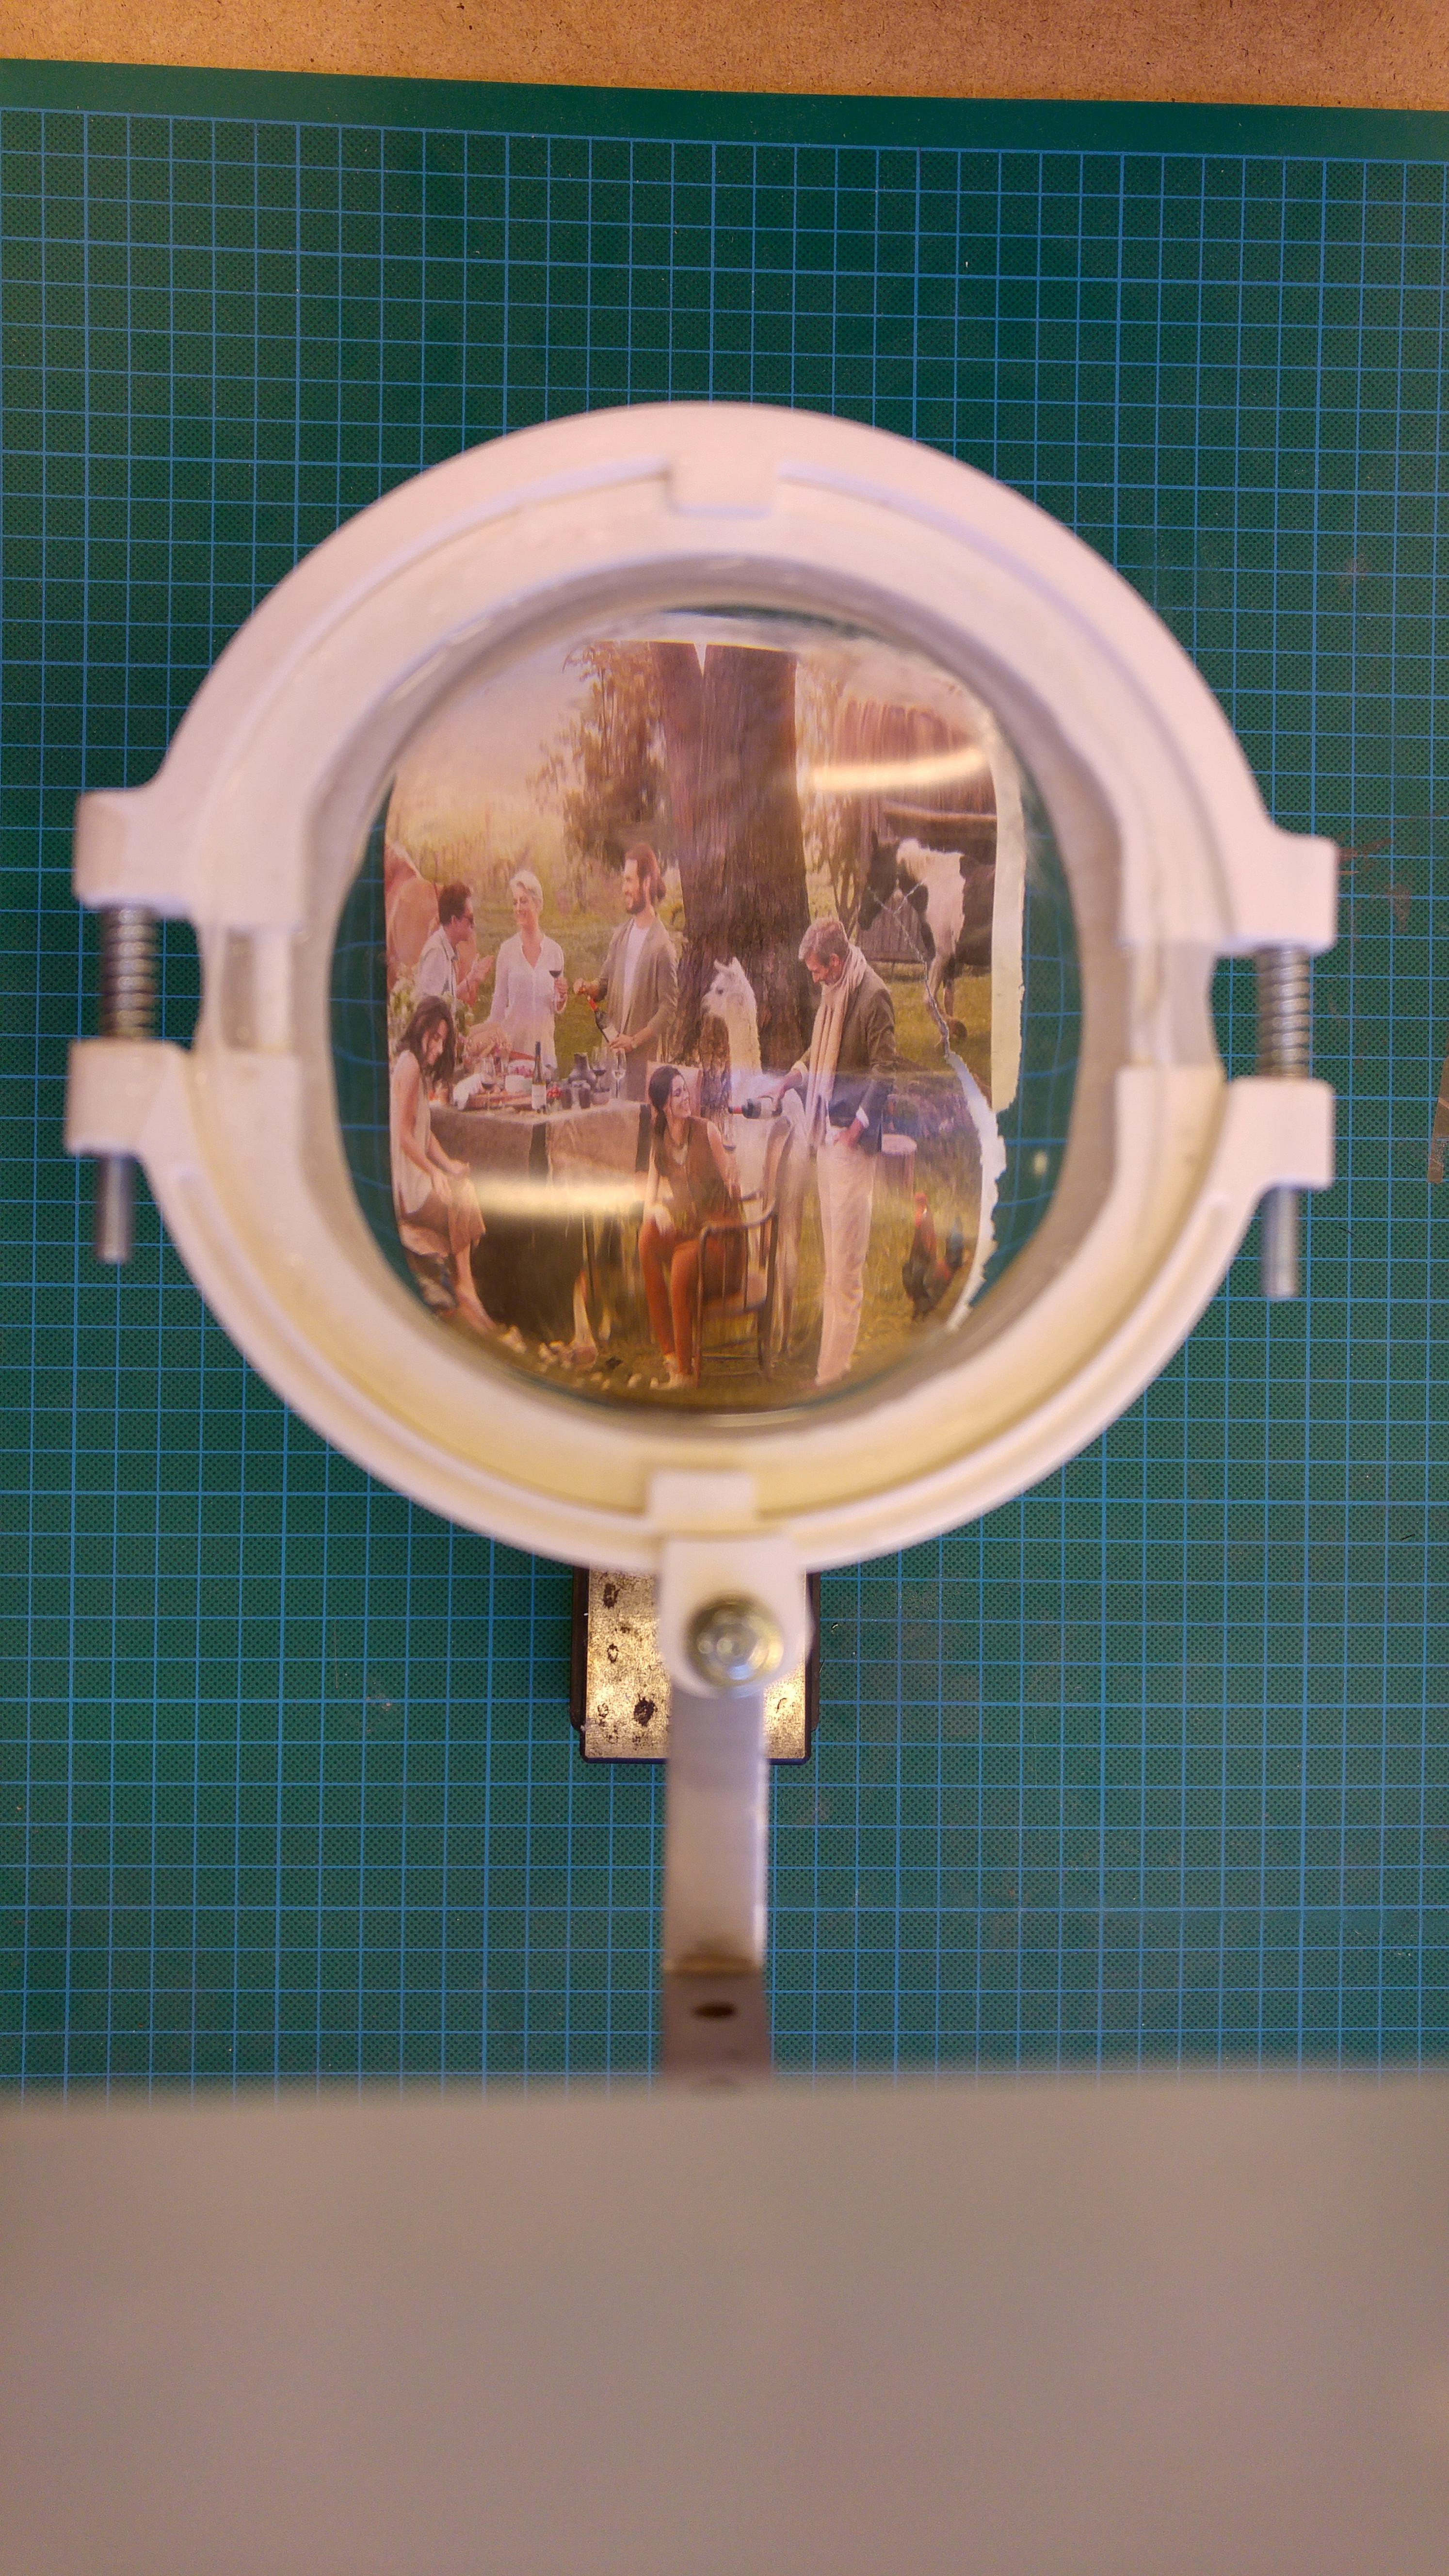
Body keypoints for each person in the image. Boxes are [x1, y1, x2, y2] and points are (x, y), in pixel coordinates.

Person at [767, 916, 896, 1387]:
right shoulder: (836, 993)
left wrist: (856, 1129)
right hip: (826, 1136)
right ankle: (829, 1362)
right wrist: (793, 1076)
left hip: (850, 1145)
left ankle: (832, 1377)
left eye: (818, 969)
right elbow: (820, 1051)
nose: (815, 977)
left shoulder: (873, 995)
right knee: (831, 1261)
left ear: (836, 961)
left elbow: (886, 1071)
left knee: (845, 1268)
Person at [389, 997, 496, 1337]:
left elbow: (424, 1130)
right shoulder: (409, 1066)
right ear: (420, 1028)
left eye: (442, 1041)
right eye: (433, 1038)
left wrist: (448, 1165)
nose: (437, 1048)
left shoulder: (415, 1067)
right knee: (462, 1196)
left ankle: (466, 1288)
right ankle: (466, 1288)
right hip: (408, 1189)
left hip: (416, 1179)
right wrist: (435, 1173)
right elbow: (404, 1137)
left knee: (463, 1188)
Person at [638, 1064, 743, 1387]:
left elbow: (734, 1189)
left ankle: (685, 1374)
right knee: (647, 1237)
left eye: (685, 1090)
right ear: (663, 1105)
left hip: (723, 1242)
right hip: (695, 1233)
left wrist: (734, 1183)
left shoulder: (707, 1131)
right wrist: (657, 1209)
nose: (686, 1098)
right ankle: (671, 1354)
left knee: (683, 1261)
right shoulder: (659, 1139)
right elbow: (648, 1201)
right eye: (677, 1094)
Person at [573, 844, 677, 1102]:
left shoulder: (662, 947)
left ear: (647, 883)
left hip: (641, 1069)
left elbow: (668, 1008)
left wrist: (635, 1041)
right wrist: (587, 987)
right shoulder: (620, 936)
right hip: (611, 1064)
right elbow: (604, 985)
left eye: (629, 880)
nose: (624, 889)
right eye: (624, 881)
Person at [491, 869, 567, 1072]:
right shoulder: (507, 950)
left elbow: (556, 1005)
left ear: (538, 904)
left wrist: (562, 997)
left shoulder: (554, 951)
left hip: (545, 1055)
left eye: (524, 901)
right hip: (514, 1055)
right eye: (515, 902)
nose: (518, 908)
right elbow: (498, 1005)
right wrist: (493, 1047)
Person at [414, 881, 492, 1013]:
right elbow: (428, 1011)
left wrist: (472, 977)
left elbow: (446, 999)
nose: (474, 925)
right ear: (454, 921)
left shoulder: (445, 947)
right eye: (470, 919)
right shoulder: (437, 953)